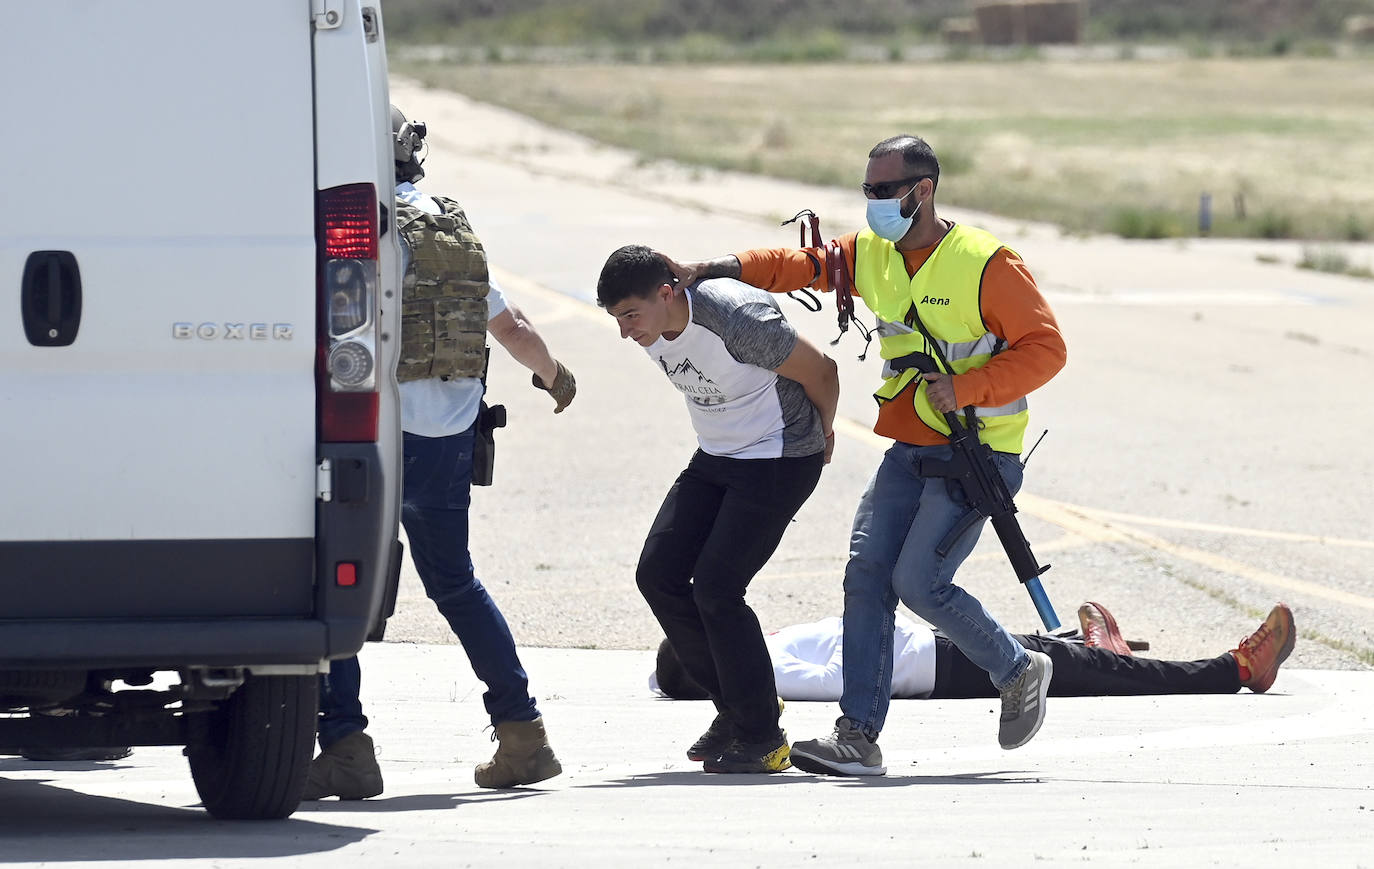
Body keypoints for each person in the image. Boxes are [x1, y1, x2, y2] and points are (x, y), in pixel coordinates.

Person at [662, 134, 1069, 776]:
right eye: (868, 191)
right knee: (866, 575)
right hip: (911, 443)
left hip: (978, 452)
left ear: (923, 190)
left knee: (919, 583)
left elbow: (1046, 349)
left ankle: (1017, 668)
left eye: (884, 191)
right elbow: (799, 265)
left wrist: (966, 387)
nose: (874, 202)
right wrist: (709, 269)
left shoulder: (987, 263)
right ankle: (858, 734)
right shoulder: (874, 253)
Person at [303, 106, 577, 801]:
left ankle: (344, 742)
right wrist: (553, 374)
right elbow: (509, 324)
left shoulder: (358, 223)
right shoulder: (446, 221)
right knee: (455, 582)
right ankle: (522, 732)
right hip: (450, 433)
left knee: (330, 580)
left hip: (374, 426)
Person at [596, 245, 840, 774]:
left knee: (716, 588)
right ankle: (740, 708)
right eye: (616, 319)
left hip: (780, 455)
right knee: (658, 575)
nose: (625, 332)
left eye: (630, 316)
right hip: (717, 454)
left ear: (668, 294)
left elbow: (822, 370)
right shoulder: (650, 323)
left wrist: (824, 432)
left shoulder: (734, 319)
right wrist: (636, 321)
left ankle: (763, 737)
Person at [652, 603, 1297, 733]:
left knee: (1067, 660)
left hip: (930, 645)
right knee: (1067, 667)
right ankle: (1234, 669)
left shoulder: (759, 658)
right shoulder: (769, 678)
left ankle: (1104, 655)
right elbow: (842, 683)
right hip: (936, 666)